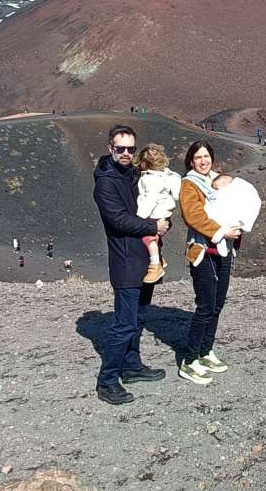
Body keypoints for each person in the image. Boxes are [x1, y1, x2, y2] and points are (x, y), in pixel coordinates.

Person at [92, 125, 169, 405]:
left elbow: (155, 200)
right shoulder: (106, 183)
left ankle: (133, 366)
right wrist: (153, 225)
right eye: (120, 148)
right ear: (110, 148)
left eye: (130, 149)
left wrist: (165, 222)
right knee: (124, 324)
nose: (126, 153)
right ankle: (107, 381)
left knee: (138, 318)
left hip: (147, 259)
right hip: (125, 262)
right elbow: (118, 219)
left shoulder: (135, 174)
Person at [176, 141, 242, 386]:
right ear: (191, 161)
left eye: (206, 156)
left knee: (217, 303)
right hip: (203, 251)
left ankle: (206, 350)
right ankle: (189, 360)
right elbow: (193, 216)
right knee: (205, 305)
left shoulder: (218, 182)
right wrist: (222, 231)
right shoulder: (189, 184)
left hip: (224, 251)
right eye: (198, 157)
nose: (203, 161)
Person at [135, 144, 182, 283]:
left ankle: (155, 265)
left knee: (147, 237)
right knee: (155, 237)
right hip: (165, 213)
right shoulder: (169, 176)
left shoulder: (150, 179)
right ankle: (159, 257)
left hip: (154, 213)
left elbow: (149, 199)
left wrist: (139, 216)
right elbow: (176, 194)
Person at [204, 174, 262, 259]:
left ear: (226, 184)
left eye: (216, 188)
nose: (215, 191)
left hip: (233, 225)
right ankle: (222, 240)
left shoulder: (238, 191)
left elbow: (252, 204)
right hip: (232, 228)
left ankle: (221, 237)